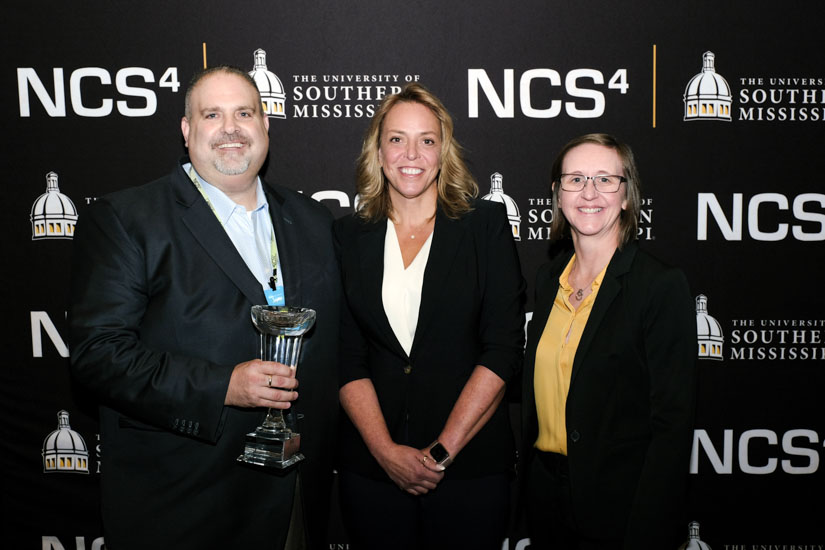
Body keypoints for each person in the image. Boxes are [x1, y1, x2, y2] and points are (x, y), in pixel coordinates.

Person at [68, 65, 340, 550]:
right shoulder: (127, 219)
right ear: (187, 130)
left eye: (244, 113)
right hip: (183, 502)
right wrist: (223, 386)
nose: (230, 128)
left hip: (293, 497)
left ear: (266, 126)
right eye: (211, 114)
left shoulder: (312, 219)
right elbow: (99, 353)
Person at [333, 83, 526, 550]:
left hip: (469, 470)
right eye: (396, 139)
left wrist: (439, 454)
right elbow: (347, 356)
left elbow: (501, 350)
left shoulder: (485, 226)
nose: (411, 154)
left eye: (427, 139)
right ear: (378, 152)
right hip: (372, 471)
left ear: (444, 152)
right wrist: (385, 453)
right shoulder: (347, 235)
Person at [521, 133, 697, 550]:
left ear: (626, 195)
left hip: (623, 510)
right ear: (557, 194)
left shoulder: (658, 286)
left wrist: (647, 530)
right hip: (547, 501)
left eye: (605, 179)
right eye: (575, 179)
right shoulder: (549, 281)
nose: (589, 192)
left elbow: (672, 425)